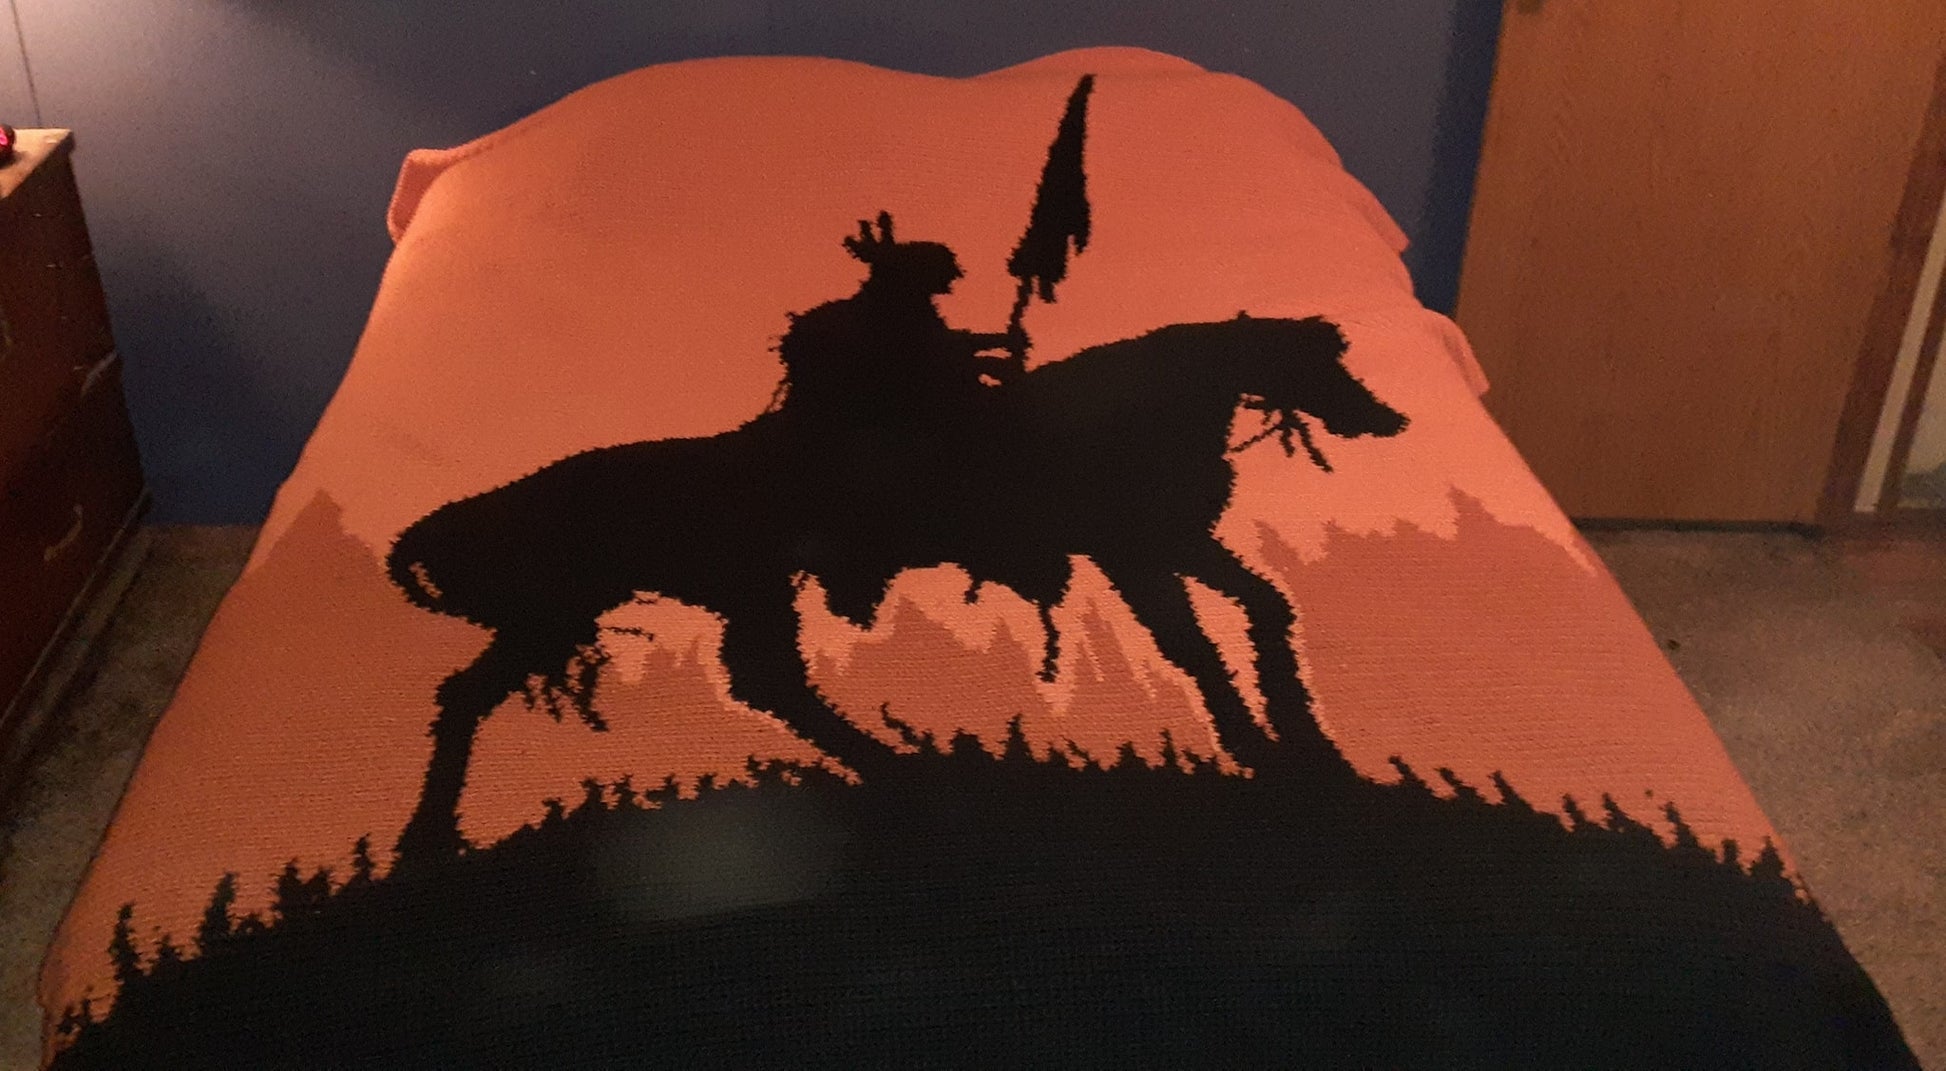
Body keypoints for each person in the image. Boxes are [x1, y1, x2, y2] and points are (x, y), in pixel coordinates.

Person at [776, 212, 1020, 427]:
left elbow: (940, 344)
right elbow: (932, 351)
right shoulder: (893, 310)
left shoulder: (908, 307)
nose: (949, 284)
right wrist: (996, 345)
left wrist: (996, 343)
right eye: (944, 276)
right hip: (879, 399)